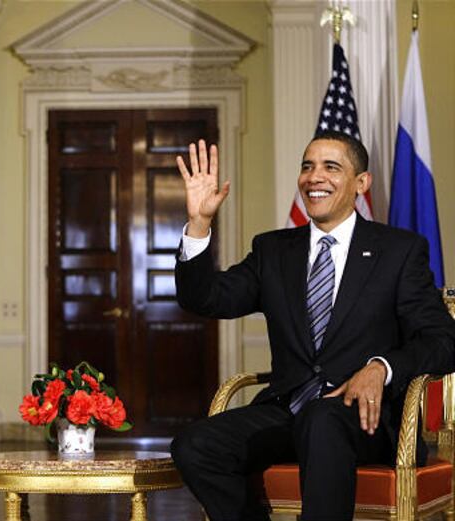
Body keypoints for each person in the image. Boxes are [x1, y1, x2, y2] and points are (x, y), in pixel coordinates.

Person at [170, 132, 455, 520]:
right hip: (288, 410)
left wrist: (381, 368)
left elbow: (443, 339)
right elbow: (206, 298)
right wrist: (199, 223)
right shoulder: (273, 250)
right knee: (195, 444)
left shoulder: (399, 251)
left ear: (361, 183)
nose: (313, 176)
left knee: (322, 420)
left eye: (330, 167)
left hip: (365, 421)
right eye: (307, 166)